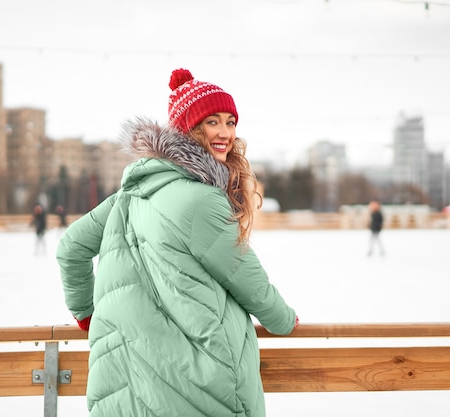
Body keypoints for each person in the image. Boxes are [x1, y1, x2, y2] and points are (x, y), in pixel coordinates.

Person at [56, 68, 298, 417]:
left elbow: (71, 249)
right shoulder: (201, 200)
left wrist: (86, 315)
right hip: (194, 383)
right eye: (212, 122)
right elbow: (245, 276)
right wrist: (282, 320)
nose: (225, 133)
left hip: (130, 378)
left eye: (231, 122)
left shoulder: (129, 194)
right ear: (188, 129)